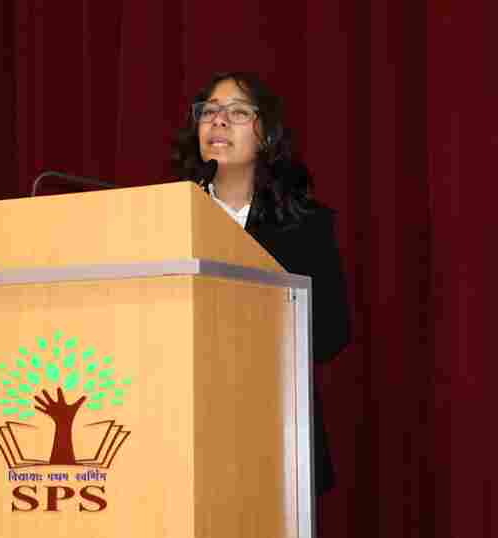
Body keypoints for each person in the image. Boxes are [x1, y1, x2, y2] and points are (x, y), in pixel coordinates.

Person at [172, 72, 352, 495]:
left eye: (237, 112)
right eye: (209, 112)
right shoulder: (168, 215)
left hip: (274, 430)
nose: (218, 121)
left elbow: (331, 335)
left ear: (267, 135)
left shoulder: (304, 225)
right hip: (181, 429)